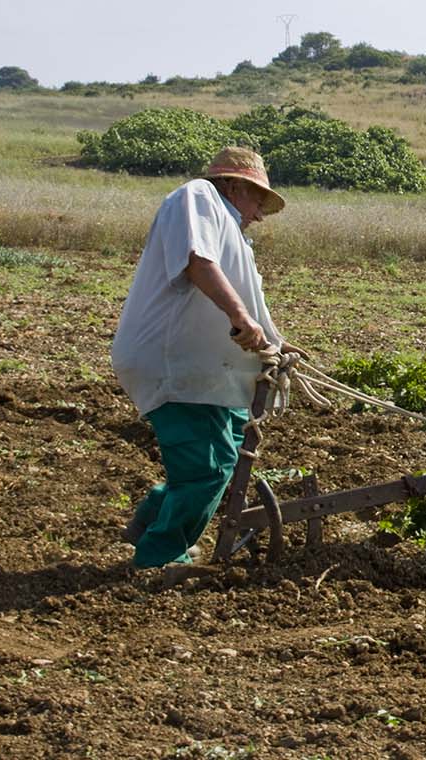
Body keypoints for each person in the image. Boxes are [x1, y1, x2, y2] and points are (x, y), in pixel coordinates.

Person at [111, 146, 289, 577]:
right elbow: (197, 261)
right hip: (179, 362)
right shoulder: (199, 198)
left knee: (219, 461)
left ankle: (154, 517)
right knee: (207, 470)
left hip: (213, 372)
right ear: (232, 186)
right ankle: (158, 558)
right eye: (258, 200)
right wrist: (240, 317)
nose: (261, 214)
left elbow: (245, 298)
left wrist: (279, 345)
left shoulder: (232, 230)